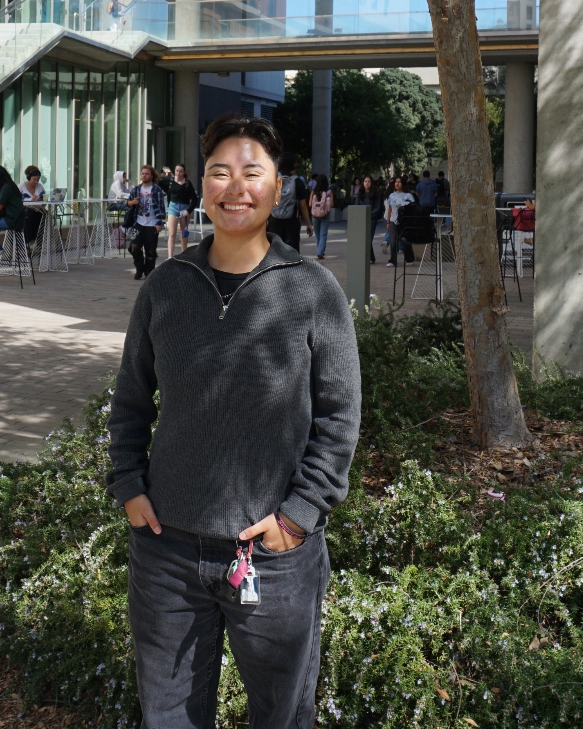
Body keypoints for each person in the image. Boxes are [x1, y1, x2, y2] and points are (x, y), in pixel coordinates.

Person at [108, 111, 360, 729]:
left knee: (282, 716)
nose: (236, 187)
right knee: (169, 716)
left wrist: (298, 517)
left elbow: (339, 416)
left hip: (272, 557)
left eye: (253, 172)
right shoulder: (166, 286)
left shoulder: (312, 290)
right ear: (202, 185)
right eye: (220, 172)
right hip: (167, 552)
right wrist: (129, 485)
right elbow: (131, 399)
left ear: (278, 188)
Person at [128, 165, 166, 280]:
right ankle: (139, 268)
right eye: (143, 174)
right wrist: (132, 202)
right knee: (133, 247)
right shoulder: (136, 189)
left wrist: (159, 223)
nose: (144, 176)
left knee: (150, 251)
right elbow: (128, 203)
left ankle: (148, 273)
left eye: (147, 174)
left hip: (152, 224)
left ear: (151, 176)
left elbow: (161, 208)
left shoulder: (156, 190)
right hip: (138, 223)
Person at [266, 156, 310, 253]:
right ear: (293, 165)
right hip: (292, 221)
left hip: (274, 220)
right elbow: (303, 205)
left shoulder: (272, 179)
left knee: (274, 248)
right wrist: (308, 223)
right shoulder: (297, 181)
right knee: (291, 250)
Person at [165, 163, 199, 258]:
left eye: (180, 171)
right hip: (173, 207)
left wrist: (188, 210)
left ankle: (184, 255)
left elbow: (195, 200)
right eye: (177, 171)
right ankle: (170, 256)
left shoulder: (187, 184)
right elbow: (159, 181)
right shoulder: (170, 181)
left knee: (184, 233)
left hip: (185, 208)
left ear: (184, 172)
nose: (178, 173)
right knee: (172, 233)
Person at [384, 176, 416, 267]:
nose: (397, 184)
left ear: (403, 184)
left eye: (399, 182)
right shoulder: (391, 195)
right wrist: (388, 222)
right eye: (396, 182)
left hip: (404, 221)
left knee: (404, 239)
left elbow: (412, 208)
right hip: (393, 220)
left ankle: (409, 258)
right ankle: (392, 260)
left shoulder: (408, 196)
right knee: (393, 240)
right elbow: (389, 209)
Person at [358, 175, 385, 264]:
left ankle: (369, 257)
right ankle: (371, 257)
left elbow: (377, 207)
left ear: (372, 183)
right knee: (363, 238)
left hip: (372, 219)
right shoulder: (360, 193)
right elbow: (357, 206)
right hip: (361, 219)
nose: (367, 183)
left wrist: (369, 214)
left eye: (369, 181)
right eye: (365, 181)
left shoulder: (376, 194)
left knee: (368, 238)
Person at [308, 174, 333, 259]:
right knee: (323, 234)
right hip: (325, 215)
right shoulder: (329, 192)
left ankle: (320, 251)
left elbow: (310, 204)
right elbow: (332, 204)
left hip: (315, 216)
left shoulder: (313, 192)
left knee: (317, 234)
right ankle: (320, 252)